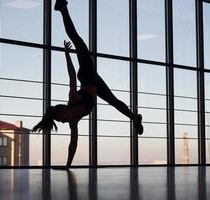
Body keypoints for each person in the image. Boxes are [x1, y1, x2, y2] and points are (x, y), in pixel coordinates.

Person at [33, 0, 143, 168]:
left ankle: (63, 9)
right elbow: (73, 143)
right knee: (114, 101)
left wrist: (67, 55)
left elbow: (71, 76)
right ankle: (135, 117)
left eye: (61, 119)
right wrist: (67, 166)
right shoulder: (74, 121)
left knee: (78, 42)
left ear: (63, 111)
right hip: (95, 84)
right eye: (62, 122)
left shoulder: (73, 99)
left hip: (86, 75)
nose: (63, 122)